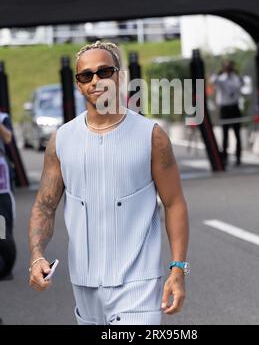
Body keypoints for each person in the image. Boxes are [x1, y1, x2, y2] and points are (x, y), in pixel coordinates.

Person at [28, 40, 190, 325]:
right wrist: (36, 256)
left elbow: (174, 203)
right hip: (85, 284)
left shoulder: (151, 135)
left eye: (105, 71)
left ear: (120, 76)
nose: (96, 80)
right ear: (78, 84)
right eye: (86, 75)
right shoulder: (62, 140)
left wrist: (178, 269)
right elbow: (45, 205)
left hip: (138, 284)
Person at [211, 61, 244, 166]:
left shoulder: (235, 78)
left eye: (230, 67)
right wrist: (220, 71)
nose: (228, 69)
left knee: (237, 134)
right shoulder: (221, 78)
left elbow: (241, 83)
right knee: (225, 135)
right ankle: (224, 158)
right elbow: (213, 80)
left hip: (234, 107)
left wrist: (235, 73)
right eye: (226, 67)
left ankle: (238, 157)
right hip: (225, 108)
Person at [0, 112, 16, 281]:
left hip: (1, 188)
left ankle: (6, 268)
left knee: (1, 230)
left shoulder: (2, 118)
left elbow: (8, 138)